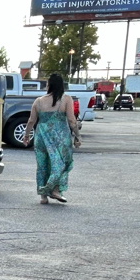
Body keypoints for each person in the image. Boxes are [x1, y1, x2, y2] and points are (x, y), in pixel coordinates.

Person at [23, 73, 81, 204]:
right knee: (60, 164)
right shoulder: (66, 99)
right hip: (60, 137)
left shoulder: (38, 101)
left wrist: (26, 136)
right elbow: (72, 120)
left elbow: (31, 121)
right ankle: (54, 190)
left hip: (42, 136)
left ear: (49, 85)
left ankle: (43, 195)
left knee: (42, 165)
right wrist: (78, 136)